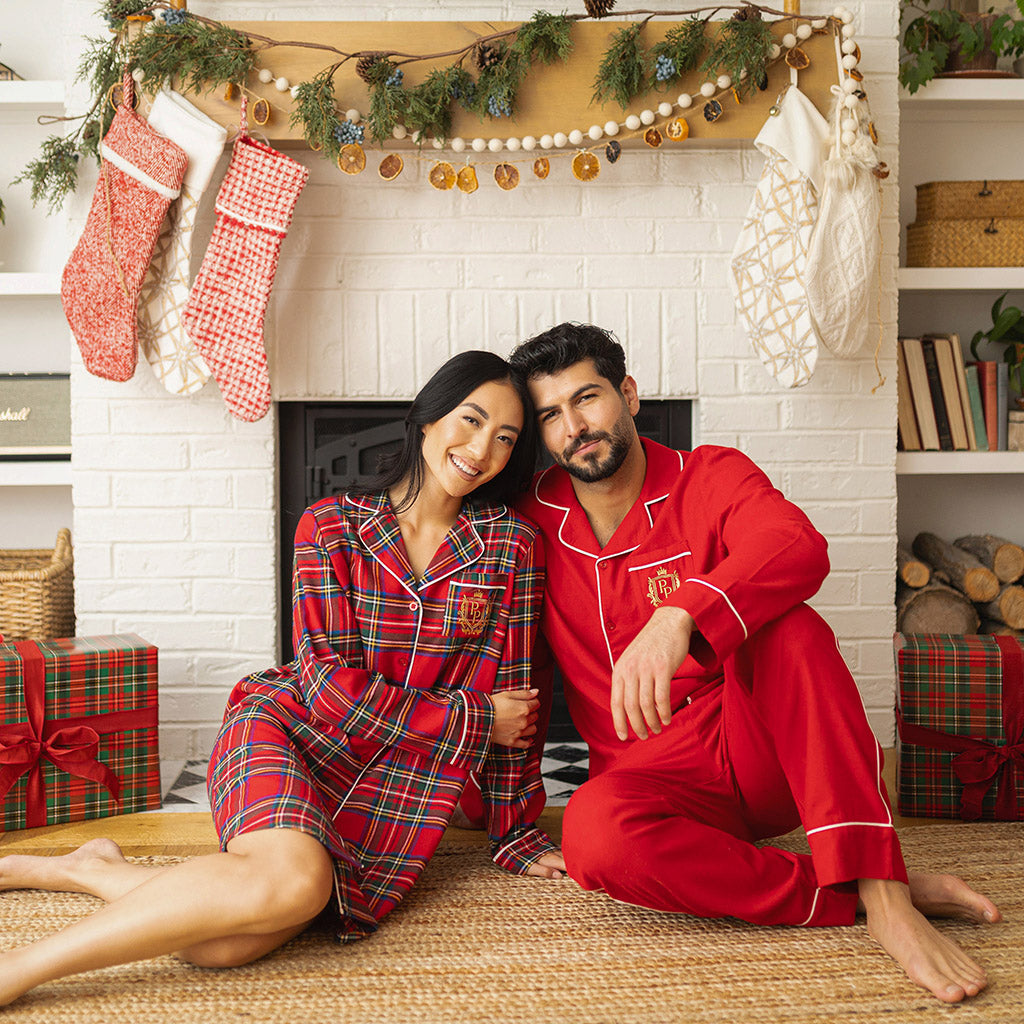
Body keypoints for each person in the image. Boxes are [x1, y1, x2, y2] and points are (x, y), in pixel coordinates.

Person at [0, 350, 563, 1007]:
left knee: (222, 944)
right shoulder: (330, 526)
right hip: (288, 732)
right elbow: (326, 689)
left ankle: (97, 872)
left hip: (399, 781)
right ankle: (21, 968)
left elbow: (518, 702)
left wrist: (517, 829)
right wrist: (472, 718)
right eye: (470, 420)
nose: (482, 448)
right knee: (293, 888)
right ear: (428, 418)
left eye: (506, 438)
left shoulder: (511, 545)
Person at [505, 322, 1001, 1005]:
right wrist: (504, 814)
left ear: (629, 394)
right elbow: (507, 667)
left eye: (587, 399)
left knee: (790, 628)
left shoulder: (709, 474)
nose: (574, 428)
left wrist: (678, 614)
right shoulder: (528, 521)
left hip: (755, 748)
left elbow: (796, 544)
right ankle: (847, 889)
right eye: (551, 415)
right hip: (649, 781)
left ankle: (887, 899)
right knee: (591, 835)